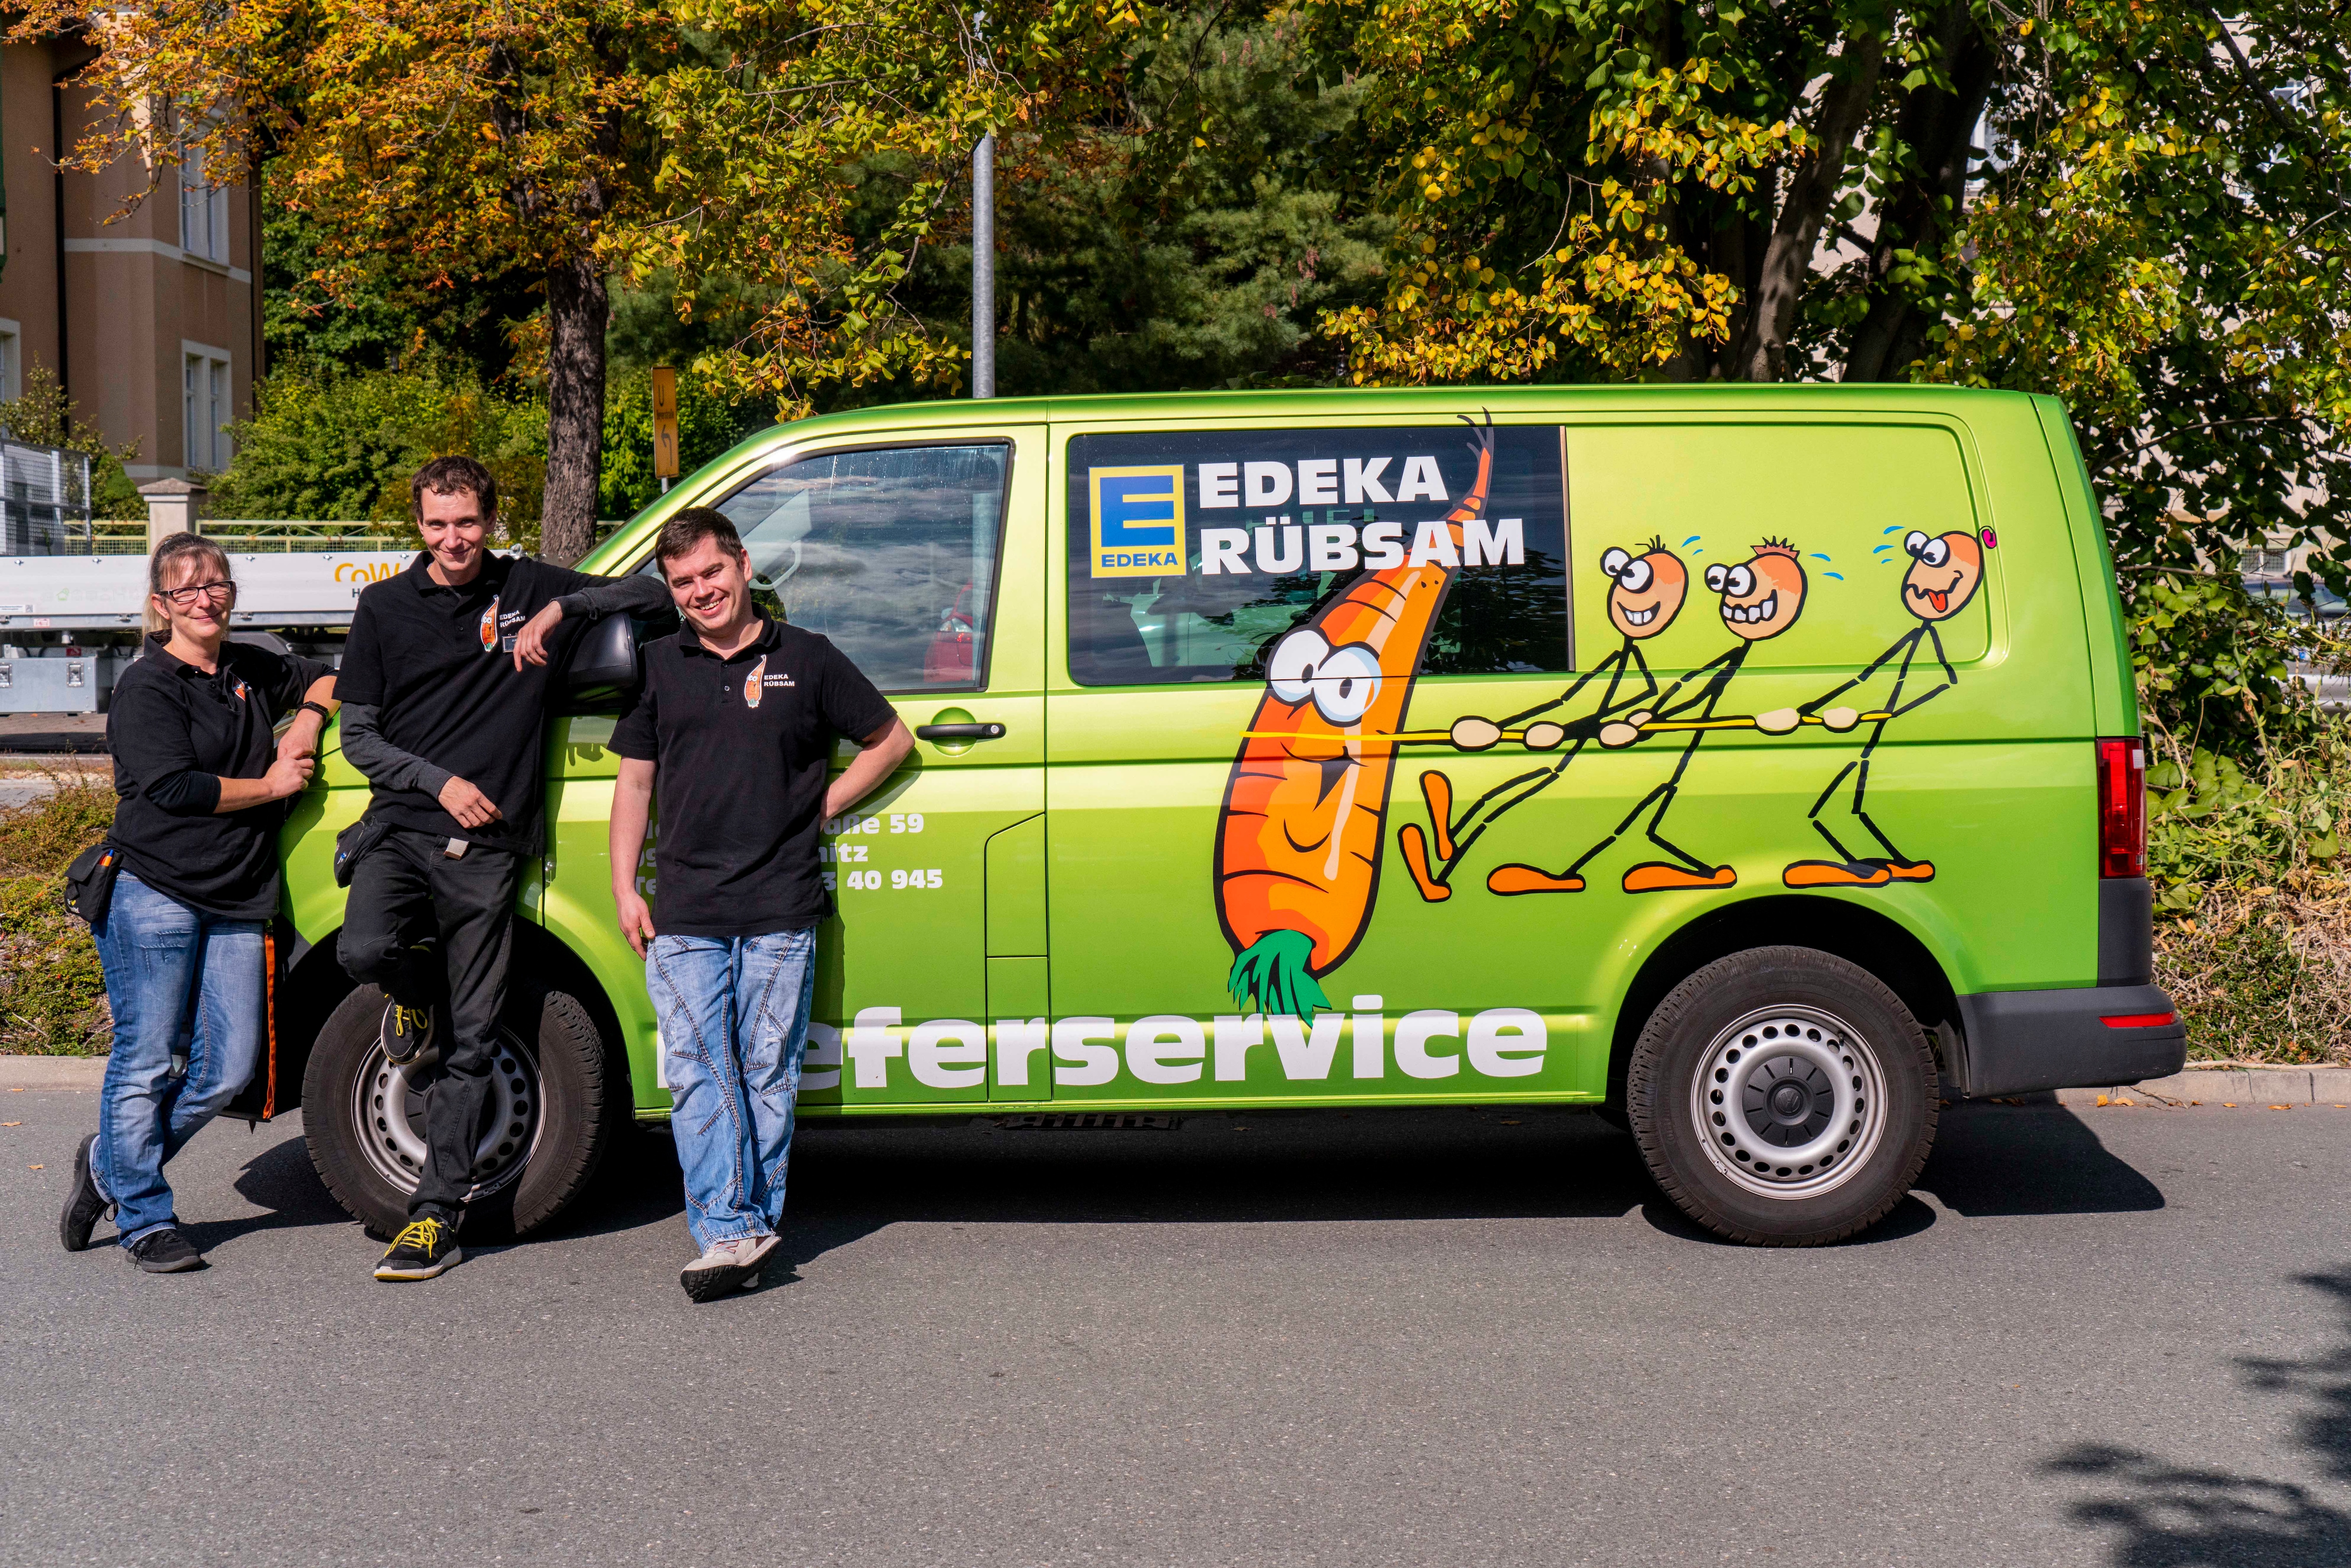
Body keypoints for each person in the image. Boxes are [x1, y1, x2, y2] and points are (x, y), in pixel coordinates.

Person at [336, 456, 670, 1282]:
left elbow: (658, 592)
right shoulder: (381, 608)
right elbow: (360, 738)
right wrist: (439, 781)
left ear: (492, 520)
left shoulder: (526, 586)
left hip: (489, 847)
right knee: (365, 953)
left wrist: (563, 606)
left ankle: (434, 1217)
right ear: (417, 525)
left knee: (475, 1036)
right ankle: (412, 998)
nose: (454, 540)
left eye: (469, 523)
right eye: (437, 524)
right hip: (404, 824)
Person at [609, 507, 911, 1300]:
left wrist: (823, 805)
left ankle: (747, 1227)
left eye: (712, 573)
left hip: (781, 903)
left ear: (742, 566)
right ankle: (727, 1231)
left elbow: (891, 739)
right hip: (683, 906)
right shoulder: (658, 665)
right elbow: (634, 783)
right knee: (698, 1068)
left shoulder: (807, 658)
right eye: (683, 583)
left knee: (766, 1070)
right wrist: (622, 888)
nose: (701, 592)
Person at [58, 533, 339, 1272]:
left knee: (229, 1067)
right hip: (156, 893)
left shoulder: (247, 666)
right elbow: (173, 787)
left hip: (240, 896)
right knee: (149, 1059)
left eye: (216, 584)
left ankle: (108, 1166)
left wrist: (303, 724)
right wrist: (275, 786)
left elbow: (324, 677)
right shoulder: (147, 688)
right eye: (187, 589)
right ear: (160, 607)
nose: (206, 598)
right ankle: (145, 1217)